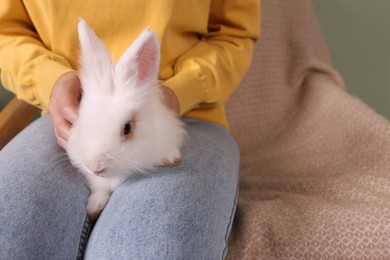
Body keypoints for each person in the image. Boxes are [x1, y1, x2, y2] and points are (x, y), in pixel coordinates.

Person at [0, 1, 260, 259]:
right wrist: (50, 79)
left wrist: (183, 89)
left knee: (149, 249)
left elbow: (233, 35)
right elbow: (6, 34)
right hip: (70, 119)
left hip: (189, 116)